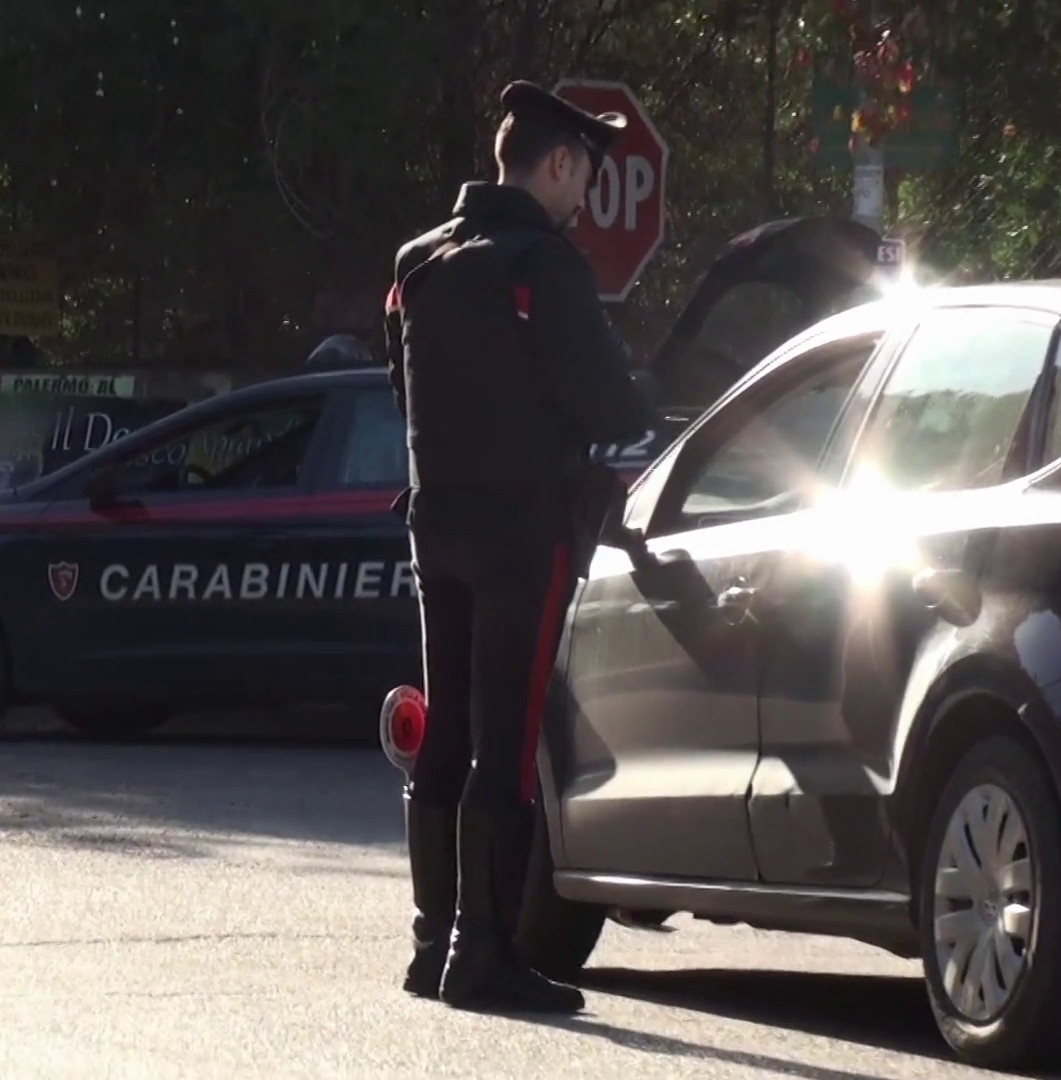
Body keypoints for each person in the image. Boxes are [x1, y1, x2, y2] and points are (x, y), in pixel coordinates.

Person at [382, 80, 655, 1013]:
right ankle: (485, 952)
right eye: (583, 174)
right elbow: (615, 407)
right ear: (558, 164)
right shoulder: (544, 265)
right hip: (520, 535)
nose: (585, 198)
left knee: (446, 734)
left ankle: (433, 944)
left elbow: (402, 390)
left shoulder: (420, 264)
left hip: (435, 523)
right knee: (507, 739)